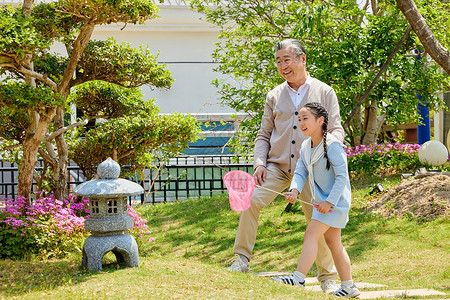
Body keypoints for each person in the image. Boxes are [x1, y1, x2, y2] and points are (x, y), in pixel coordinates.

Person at [226, 38, 345, 294]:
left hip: (311, 171)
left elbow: (335, 129)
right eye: (278, 61)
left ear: (303, 59)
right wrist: (260, 163)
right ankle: (241, 259)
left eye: (286, 60)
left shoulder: (325, 92)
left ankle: (327, 277)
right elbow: (263, 134)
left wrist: (329, 157)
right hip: (277, 168)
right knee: (251, 202)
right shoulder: (274, 95)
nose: (282, 65)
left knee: (318, 220)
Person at [271, 102, 360, 298]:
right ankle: (349, 286)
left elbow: (342, 177)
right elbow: (301, 170)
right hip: (324, 202)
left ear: (320, 121)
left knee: (311, 234)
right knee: (333, 242)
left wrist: (330, 201)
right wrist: (294, 189)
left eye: (305, 119)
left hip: (334, 203)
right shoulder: (306, 145)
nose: (301, 123)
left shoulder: (333, 145)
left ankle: (298, 278)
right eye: (300, 119)